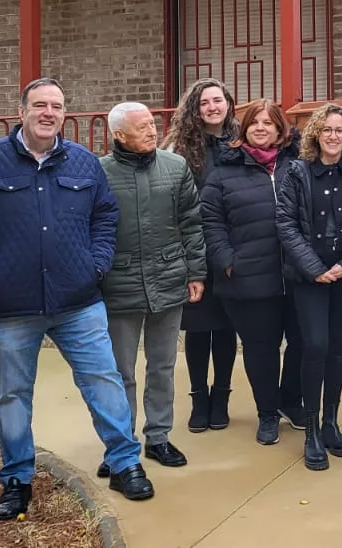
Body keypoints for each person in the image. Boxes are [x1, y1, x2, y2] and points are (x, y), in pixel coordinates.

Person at [0, 78, 153, 521]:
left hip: (77, 301)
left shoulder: (82, 163)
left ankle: (124, 463)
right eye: (39, 105)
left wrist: (95, 265)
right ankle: (17, 477)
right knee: (13, 395)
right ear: (21, 111)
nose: (48, 113)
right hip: (8, 307)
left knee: (104, 381)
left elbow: (105, 216)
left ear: (63, 115)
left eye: (56, 106)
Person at [98, 102, 207, 476]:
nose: (151, 131)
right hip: (118, 285)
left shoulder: (175, 167)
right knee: (119, 372)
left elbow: (192, 223)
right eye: (141, 126)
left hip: (169, 279)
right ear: (119, 135)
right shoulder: (99, 174)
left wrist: (196, 272)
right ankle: (121, 447)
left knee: (162, 366)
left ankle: (158, 437)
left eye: (152, 124)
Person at [275, 104, 342, 471]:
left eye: (340, 130)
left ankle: (331, 422)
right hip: (309, 277)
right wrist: (314, 267)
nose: (334, 136)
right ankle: (311, 429)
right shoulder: (296, 173)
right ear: (315, 134)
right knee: (314, 344)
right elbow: (285, 223)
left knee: (337, 348)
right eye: (327, 130)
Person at [200, 100, 304, 447]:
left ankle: (290, 400)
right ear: (244, 129)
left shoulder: (299, 166)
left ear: (281, 129)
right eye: (254, 123)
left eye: (269, 123)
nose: (261, 128)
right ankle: (268, 413)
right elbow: (211, 223)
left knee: (303, 343)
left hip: (298, 274)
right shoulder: (224, 172)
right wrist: (228, 262)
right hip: (248, 278)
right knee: (262, 349)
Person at [161, 78, 241, 433]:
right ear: (195, 108)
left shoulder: (240, 139)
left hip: (232, 248)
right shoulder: (179, 147)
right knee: (197, 329)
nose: (212, 107)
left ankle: (221, 396)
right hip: (193, 249)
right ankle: (199, 399)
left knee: (225, 328)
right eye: (205, 102)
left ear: (228, 103)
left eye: (217, 100)